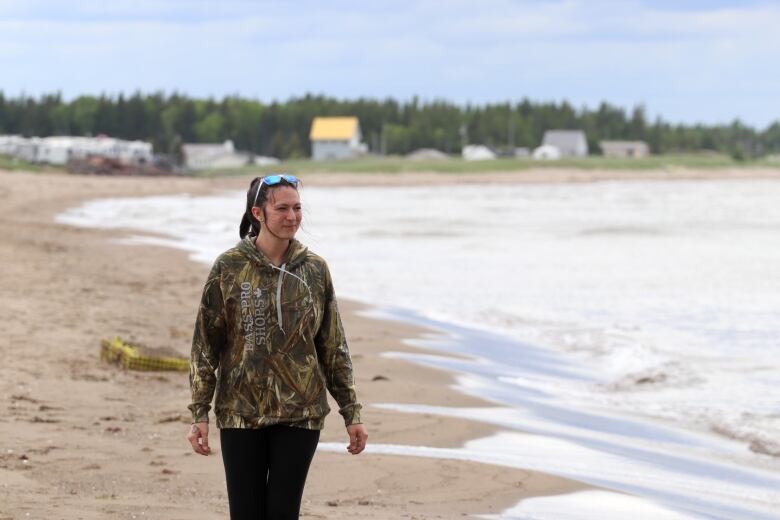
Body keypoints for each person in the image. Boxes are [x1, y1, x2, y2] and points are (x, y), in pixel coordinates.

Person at [186, 174, 368, 520]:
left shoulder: (314, 269)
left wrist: (351, 411)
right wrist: (199, 413)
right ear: (258, 212)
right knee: (246, 513)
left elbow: (333, 346)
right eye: (282, 208)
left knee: (283, 513)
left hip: (300, 412)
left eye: (297, 208)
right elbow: (205, 345)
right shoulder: (229, 267)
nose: (292, 217)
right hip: (239, 411)